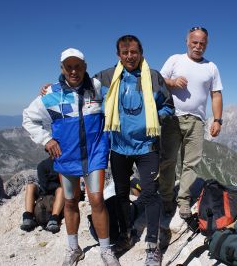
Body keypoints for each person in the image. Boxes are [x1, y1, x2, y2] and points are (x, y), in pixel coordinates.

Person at [23, 48, 120, 266]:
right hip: (66, 156)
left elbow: (117, 98)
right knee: (70, 201)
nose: (73, 70)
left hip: (94, 153)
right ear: (62, 68)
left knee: (96, 199)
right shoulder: (51, 94)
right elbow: (28, 118)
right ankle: (74, 248)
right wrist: (47, 140)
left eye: (78, 66)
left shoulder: (97, 88)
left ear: (85, 67)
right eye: (69, 66)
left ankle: (106, 250)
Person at [94, 35, 174, 265]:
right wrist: (55, 85)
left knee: (149, 193)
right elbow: (82, 88)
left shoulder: (153, 77)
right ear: (118, 54)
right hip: (118, 146)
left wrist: (153, 118)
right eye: (124, 52)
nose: (129, 56)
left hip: (147, 146)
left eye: (133, 52)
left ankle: (152, 246)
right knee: (120, 192)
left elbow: (168, 105)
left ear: (141, 53)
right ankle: (125, 235)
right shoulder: (106, 77)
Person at [159, 26, 224, 219]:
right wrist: (172, 82)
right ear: (187, 41)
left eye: (202, 43)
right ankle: (165, 197)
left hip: (197, 121)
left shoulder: (211, 67)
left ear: (206, 45)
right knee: (168, 160)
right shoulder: (175, 59)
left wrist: (218, 120)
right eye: (194, 42)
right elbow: (158, 80)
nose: (198, 46)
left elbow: (216, 94)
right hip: (172, 117)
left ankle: (184, 200)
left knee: (191, 163)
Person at [20, 157, 64, 233]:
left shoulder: (65, 163)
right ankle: (28, 217)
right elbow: (45, 185)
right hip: (45, 193)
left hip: (58, 193)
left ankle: (54, 219)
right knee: (30, 186)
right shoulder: (42, 165)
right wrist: (58, 185)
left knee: (61, 189)